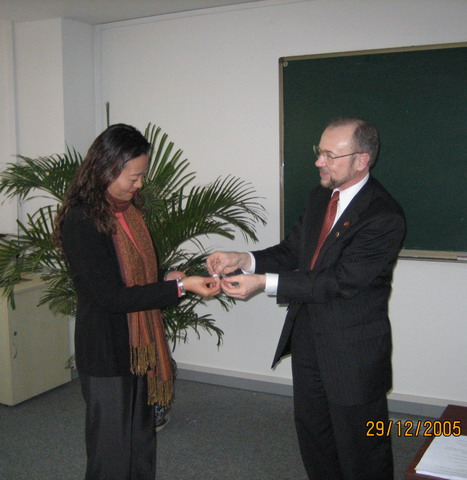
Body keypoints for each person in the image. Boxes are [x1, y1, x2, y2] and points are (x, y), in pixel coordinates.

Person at [207, 117, 405, 480]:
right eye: (319, 151)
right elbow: (292, 251)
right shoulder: (320, 197)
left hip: (352, 349)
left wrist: (263, 283)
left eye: (330, 155)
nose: (318, 162)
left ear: (362, 160)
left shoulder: (383, 215)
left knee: (361, 449)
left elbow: (339, 281)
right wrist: (244, 259)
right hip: (308, 337)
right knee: (315, 437)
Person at [54, 123, 220, 480]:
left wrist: (167, 277)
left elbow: (137, 274)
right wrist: (180, 288)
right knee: (111, 451)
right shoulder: (81, 220)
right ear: (106, 168)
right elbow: (112, 296)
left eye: (142, 176)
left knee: (140, 440)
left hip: (138, 347)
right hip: (107, 348)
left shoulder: (127, 211)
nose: (140, 184)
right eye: (134, 177)